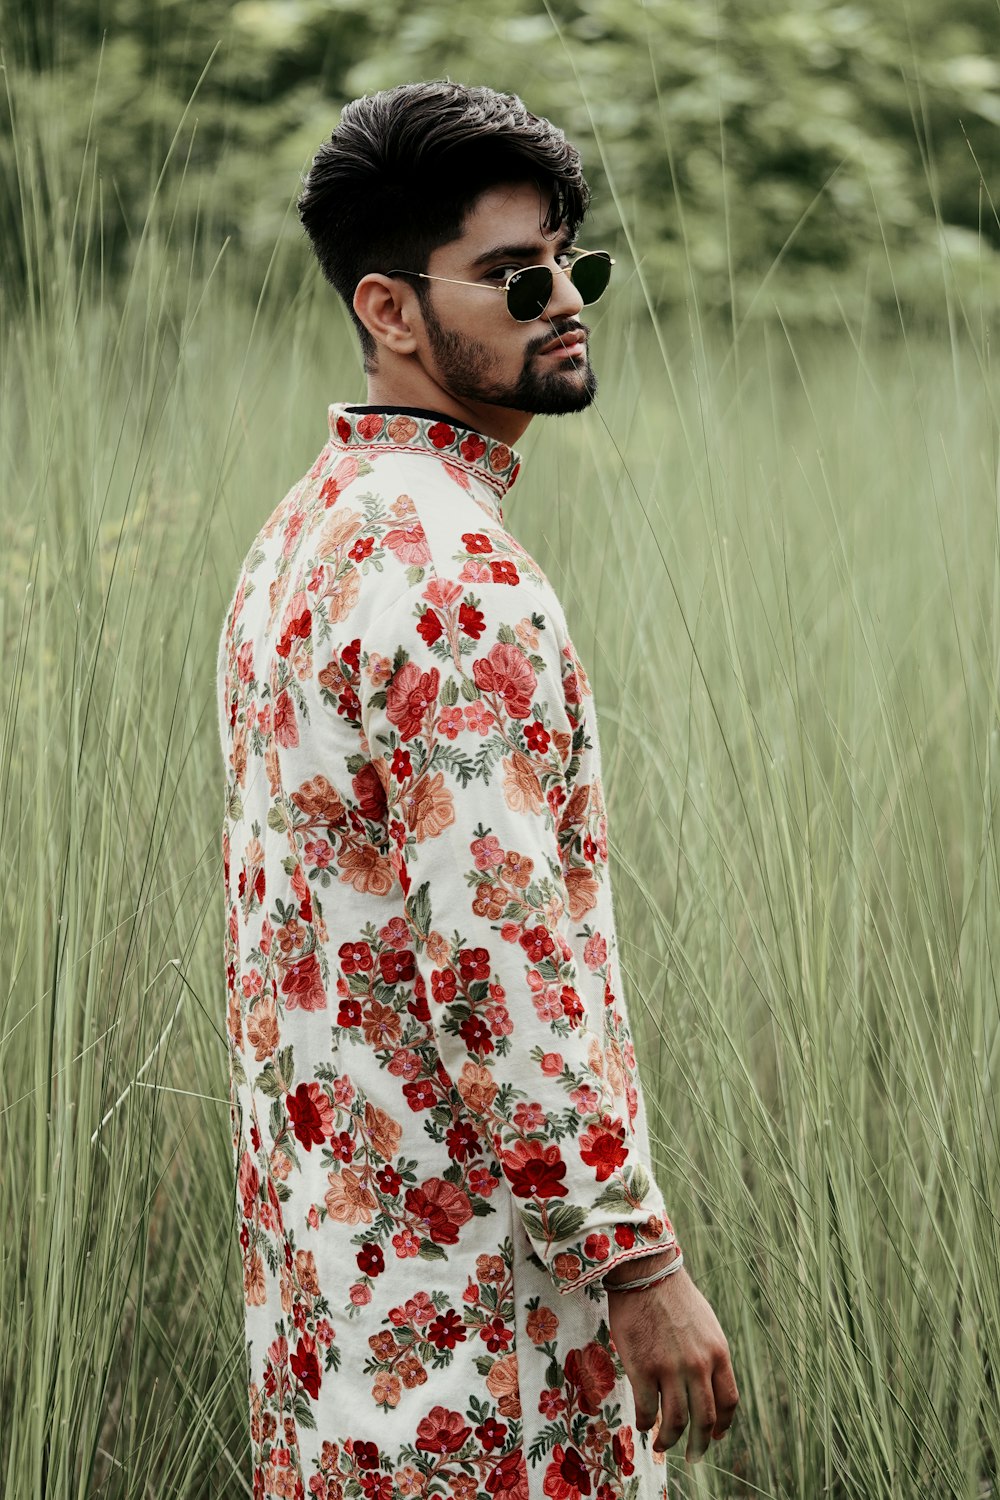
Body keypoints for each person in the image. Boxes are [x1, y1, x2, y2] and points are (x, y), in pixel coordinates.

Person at [217, 79, 738, 1500]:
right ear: (390, 311)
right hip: (480, 1342)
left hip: (331, 1333)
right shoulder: (455, 577)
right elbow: (503, 959)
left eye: (576, 264)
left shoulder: (306, 532)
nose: (565, 299)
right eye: (517, 279)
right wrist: (635, 1259)